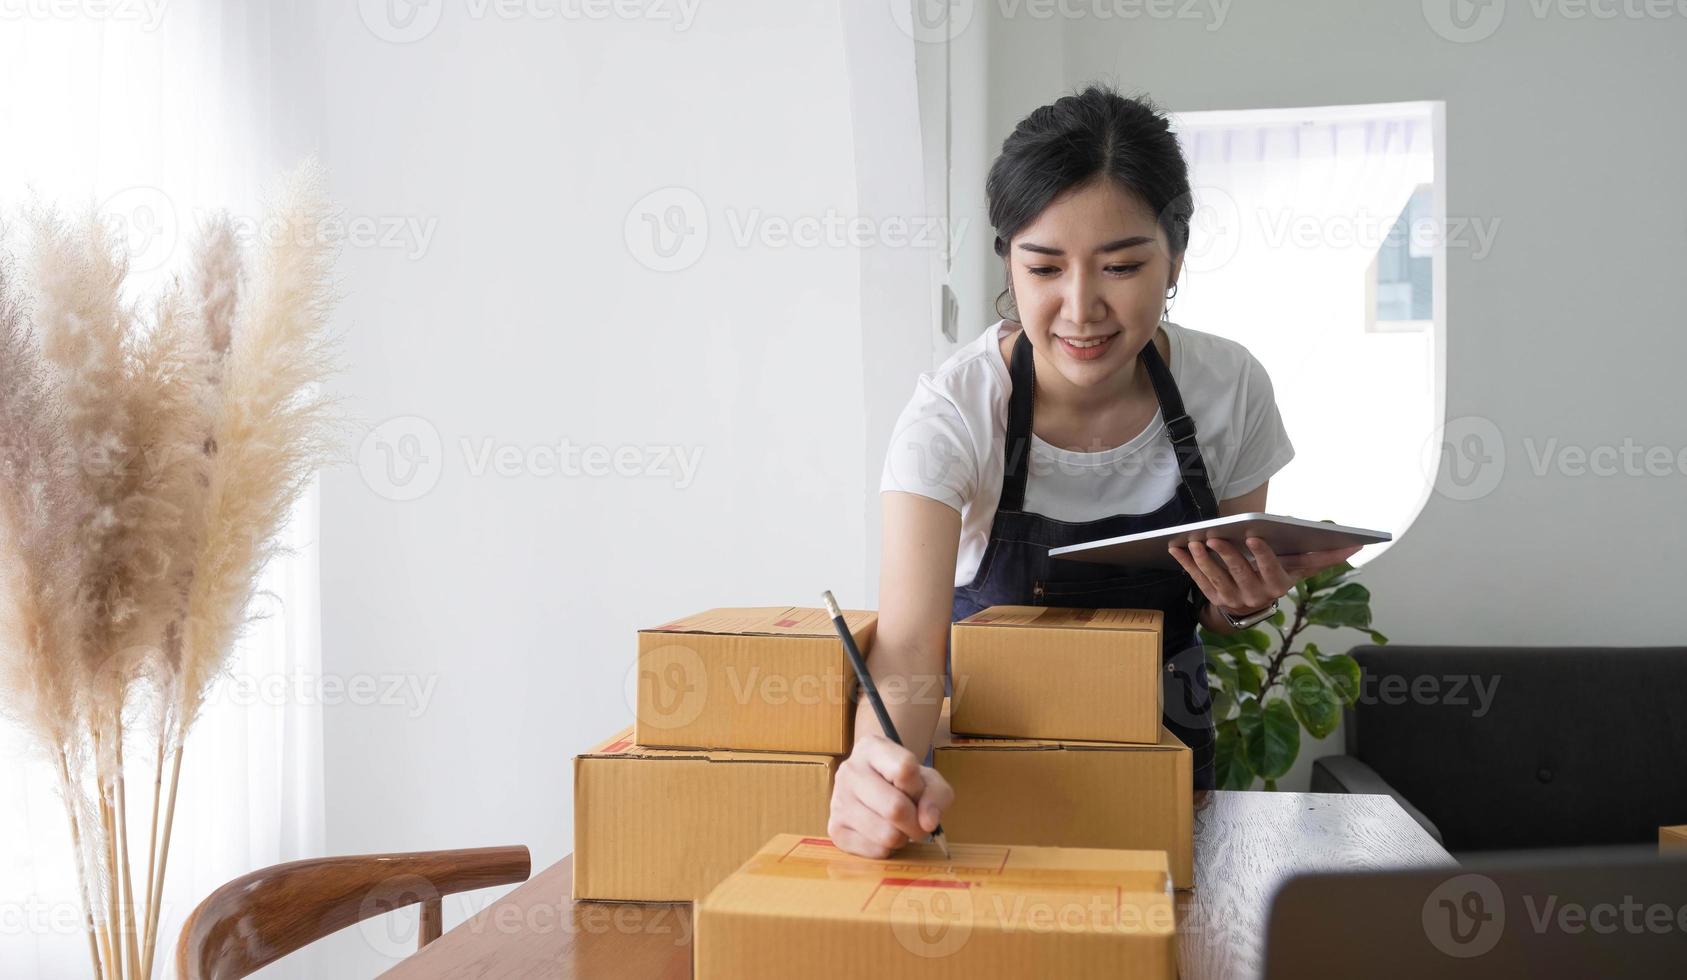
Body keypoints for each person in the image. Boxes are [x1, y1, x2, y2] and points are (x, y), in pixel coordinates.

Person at [827, 84, 1362, 860]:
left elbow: (1216, 615)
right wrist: (873, 768)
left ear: (1174, 257)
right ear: (1008, 264)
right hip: (989, 785)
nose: (1080, 309)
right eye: (1043, 268)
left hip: (1163, 765)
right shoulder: (953, 413)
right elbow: (908, 649)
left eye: (1119, 266)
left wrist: (1239, 605)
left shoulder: (1230, 388)